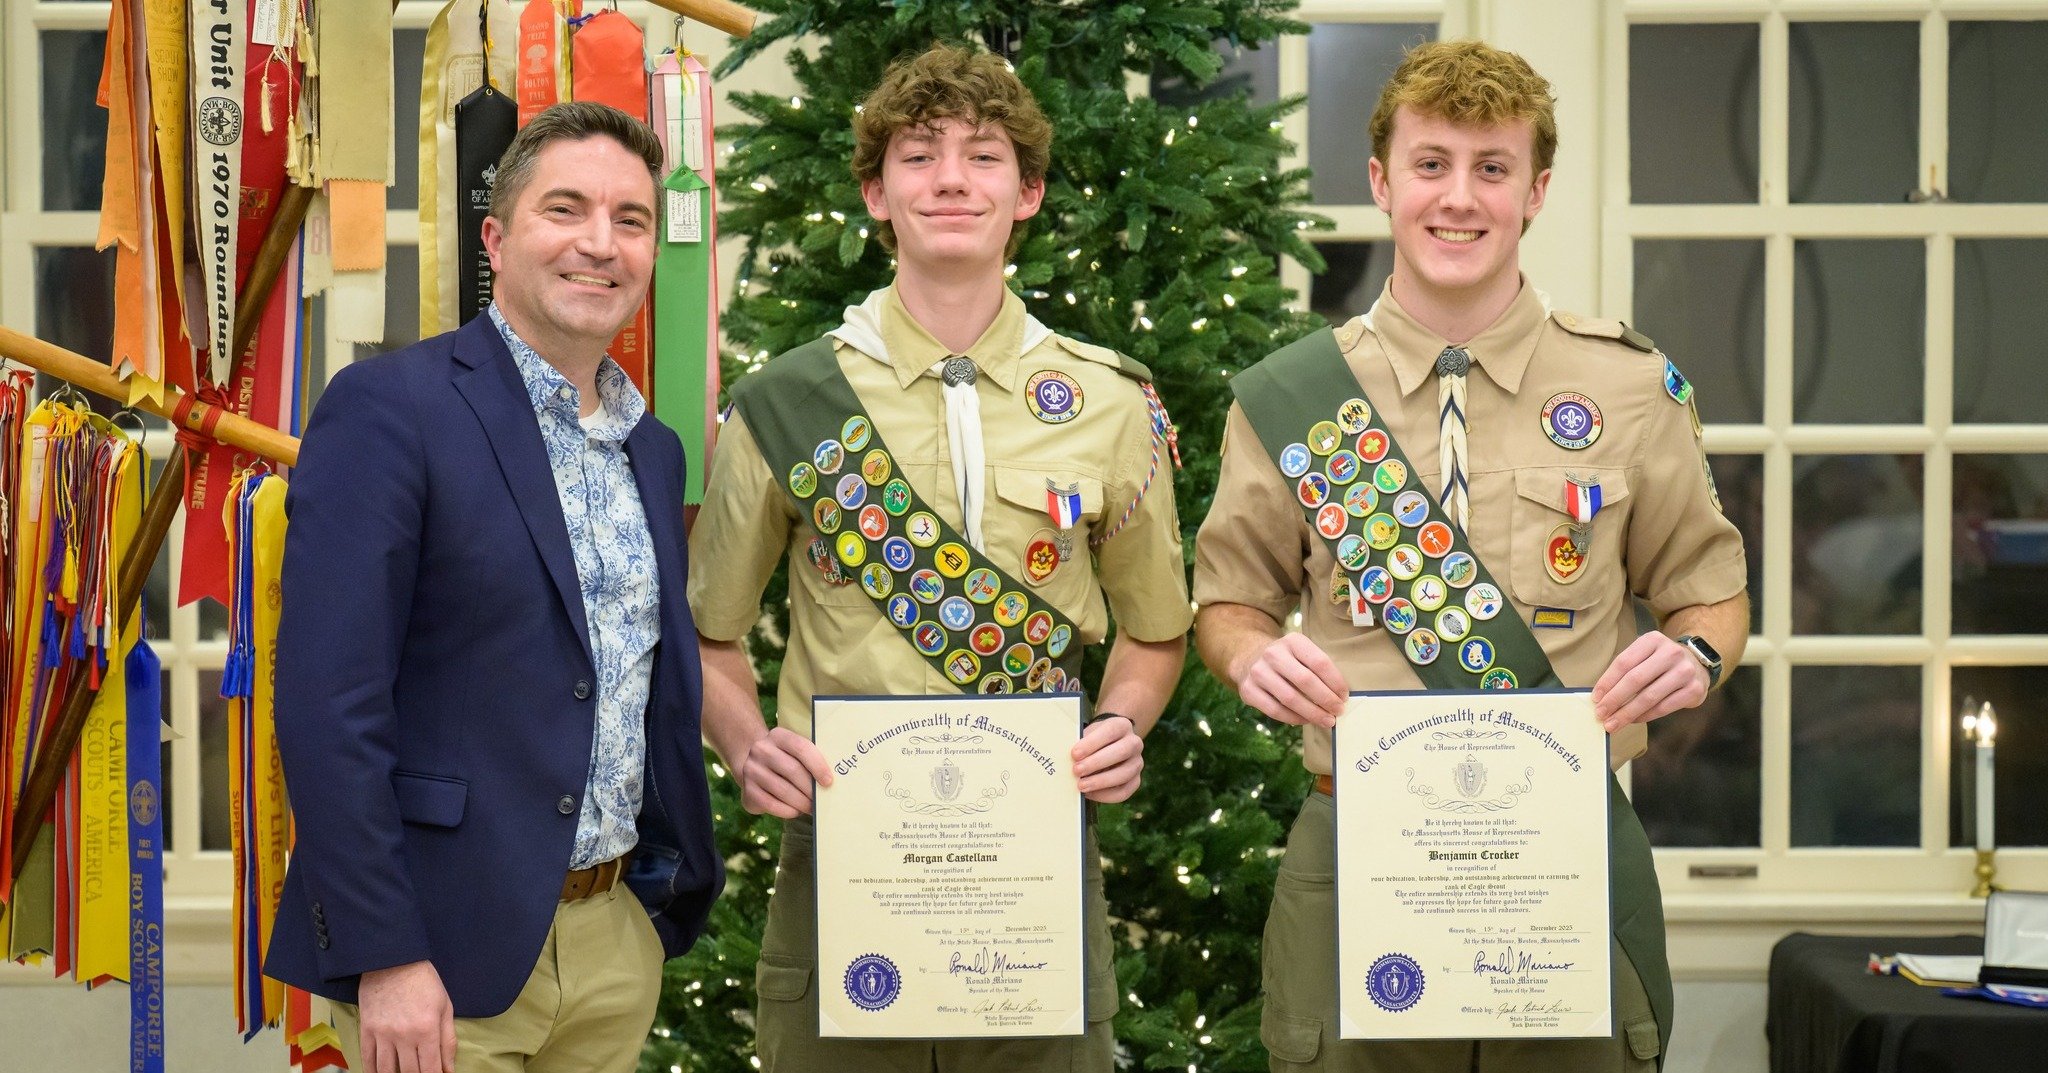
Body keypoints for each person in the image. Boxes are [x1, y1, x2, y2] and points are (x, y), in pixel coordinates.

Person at [1193, 40, 1749, 1072]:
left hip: (1565, 845)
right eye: (1430, 162)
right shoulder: (1291, 396)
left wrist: (1696, 657)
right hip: (1352, 841)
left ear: (1534, 190)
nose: (1458, 197)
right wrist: (1246, 654)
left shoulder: (1626, 386)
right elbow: (1225, 597)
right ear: (1380, 180)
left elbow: (1708, 595)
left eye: (1490, 168)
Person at [688, 42, 1191, 1073]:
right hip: (842, 859)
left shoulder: (1106, 402)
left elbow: (1155, 627)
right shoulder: (784, 404)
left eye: (984, 155)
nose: (951, 179)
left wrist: (1119, 725)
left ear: (1029, 193)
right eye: (918, 156)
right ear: (875, 194)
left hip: (1032, 863)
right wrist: (746, 748)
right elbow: (707, 633)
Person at [264, 101, 721, 1073]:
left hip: (612, 944)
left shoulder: (654, 447)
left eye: (629, 220)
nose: (600, 243)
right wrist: (386, 952)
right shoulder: (391, 411)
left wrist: (650, 911)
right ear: (496, 234)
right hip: (438, 957)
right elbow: (325, 704)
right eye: (566, 209)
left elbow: (643, 688)